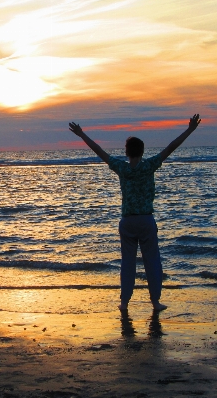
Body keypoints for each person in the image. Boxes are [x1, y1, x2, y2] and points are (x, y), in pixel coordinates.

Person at [69, 114, 201, 312]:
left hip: (128, 222)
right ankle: (155, 302)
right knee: (152, 262)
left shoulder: (122, 168)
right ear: (142, 151)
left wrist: (81, 134)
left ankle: (124, 303)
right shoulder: (149, 166)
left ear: (127, 152)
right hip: (146, 221)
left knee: (128, 264)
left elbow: (99, 151)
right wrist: (190, 130)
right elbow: (171, 148)